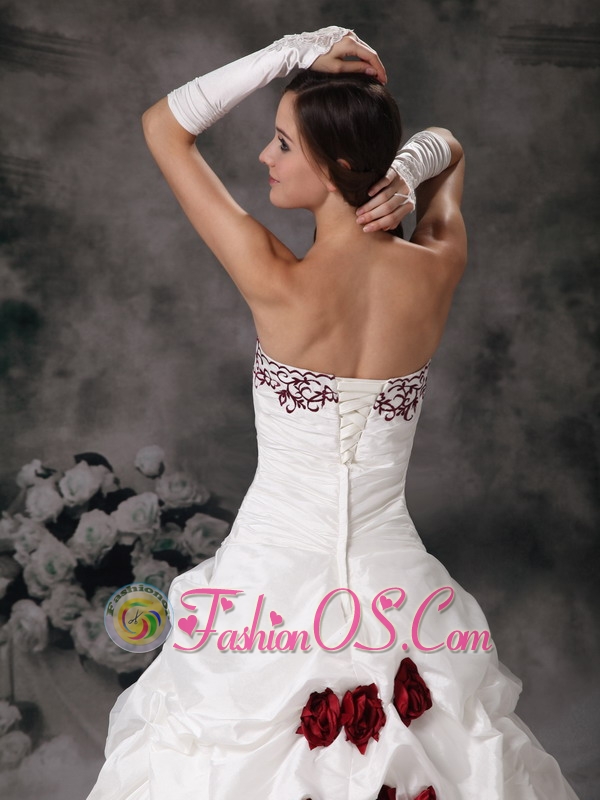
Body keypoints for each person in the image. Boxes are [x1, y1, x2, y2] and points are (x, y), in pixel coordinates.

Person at [87, 27, 580, 800]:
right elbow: (450, 149)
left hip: (267, 583)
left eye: (284, 144)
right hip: (395, 587)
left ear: (338, 167)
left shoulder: (275, 281)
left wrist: (290, 51)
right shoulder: (439, 265)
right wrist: (410, 171)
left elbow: (163, 127)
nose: (266, 157)